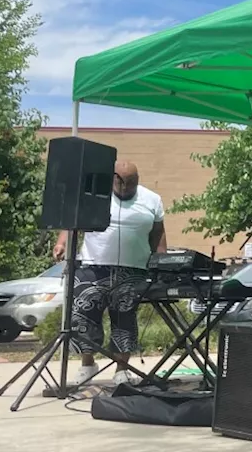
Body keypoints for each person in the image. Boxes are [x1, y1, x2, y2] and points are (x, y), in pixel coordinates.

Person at [52, 160, 165, 386]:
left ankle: (121, 369)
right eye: (122, 183)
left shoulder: (152, 199)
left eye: (132, 183)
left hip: (133, 268)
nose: (127, 188)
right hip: (94, 265)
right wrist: (62, 243)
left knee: (125, 319)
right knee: (84, 317)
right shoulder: (95, 195)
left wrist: (162, 261)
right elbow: (72, 223)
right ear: (113, 179)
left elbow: (158, 233)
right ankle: (87, 365)